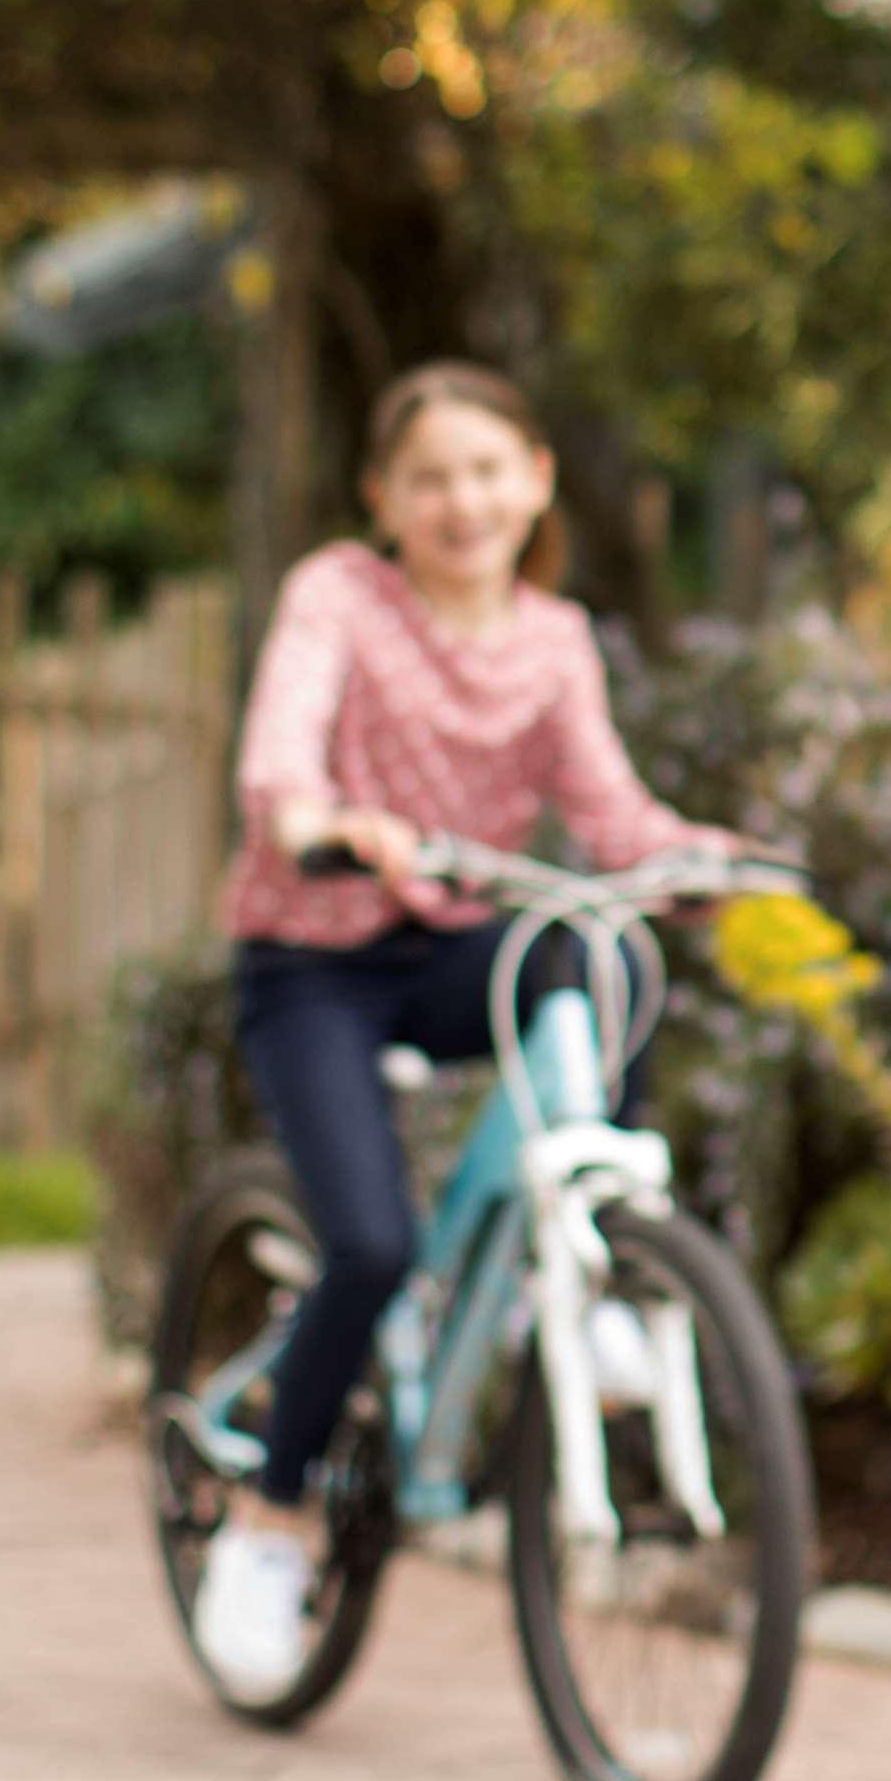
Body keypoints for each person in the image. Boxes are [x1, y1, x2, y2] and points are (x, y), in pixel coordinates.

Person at [187, 359, 739, 1701]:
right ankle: (270, 1519)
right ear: (382, 496)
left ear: (537, 479)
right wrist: (322, 817)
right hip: (315, 955)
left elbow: (608, 814)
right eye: (429, 476)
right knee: (370, 1241)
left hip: (447, 947)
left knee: (601, 941)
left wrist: (702, 855)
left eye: (488, 470)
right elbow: (279, 759)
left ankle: (594, 1250)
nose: (462, 500)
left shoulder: (554, 639)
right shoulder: (339, 595)